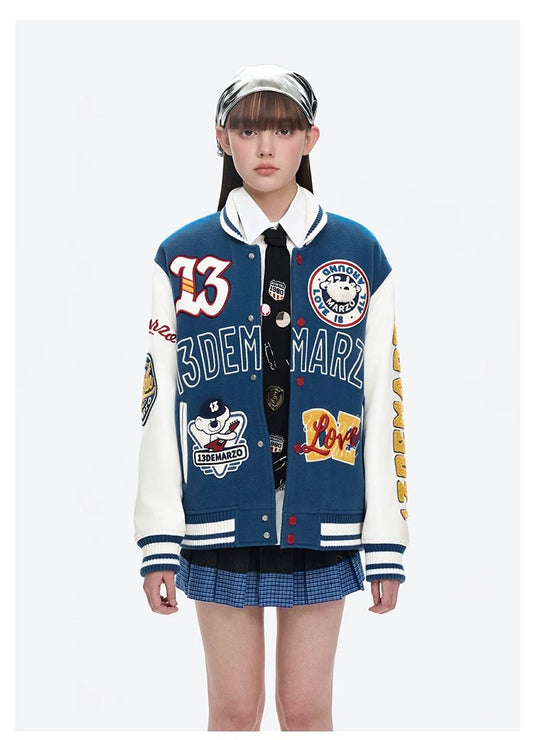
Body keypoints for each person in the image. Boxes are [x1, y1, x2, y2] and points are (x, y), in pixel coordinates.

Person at [134, 64, 409, 732]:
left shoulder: (359, 253)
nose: (265, 146)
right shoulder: (183, 257)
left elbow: (382, 400)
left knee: (306, 710)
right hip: (219, 516)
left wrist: (385, 539)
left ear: (310, 139)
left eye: (283, 129)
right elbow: (159, 401)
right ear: (221, 138)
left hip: (325, 518)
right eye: (248, 129)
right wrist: (158, 536)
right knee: (234, 712)